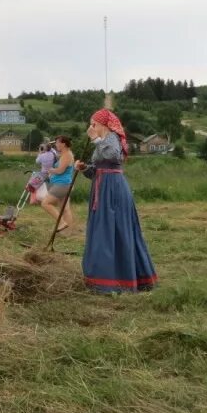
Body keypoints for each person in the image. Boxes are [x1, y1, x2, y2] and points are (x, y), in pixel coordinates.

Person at [75, 109, 157, 294]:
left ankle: (116, 280)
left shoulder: (111, 137)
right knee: (102, 230)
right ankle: (100, 277)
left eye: (94, 124)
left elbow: (112, 155)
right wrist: (84, 168)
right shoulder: (102, 142)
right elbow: (98, 169)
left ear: (103, 124)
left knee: (114, 229)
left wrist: (95, 139)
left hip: (113, 189)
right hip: (102, 187)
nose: (91, 127)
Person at [41, 136, 76, 233]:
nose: (55, 145)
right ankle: (67, 231)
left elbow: (60, 171)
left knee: (45, 203)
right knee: (65, 208)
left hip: (62, 185)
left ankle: (61, 223)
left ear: (63, 144)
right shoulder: (64, 154)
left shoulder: (67, 155)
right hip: (63, 184)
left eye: (57, 143)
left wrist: (50, 170)